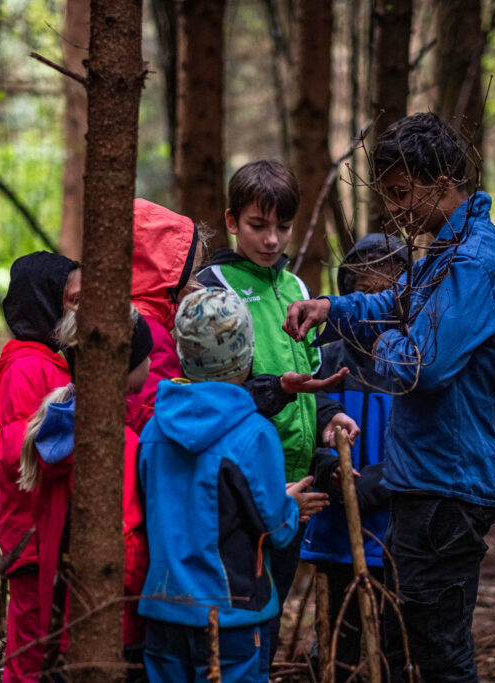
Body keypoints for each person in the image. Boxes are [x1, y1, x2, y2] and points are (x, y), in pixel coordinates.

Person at [284, 113, 495, 682]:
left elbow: (422, 362)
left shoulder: (473, 262)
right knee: (403, 632)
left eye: (400, 192)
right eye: (387, 194)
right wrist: (332, 309)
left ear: (441, 179)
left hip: (451, 481)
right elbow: (396, 305)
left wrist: (394, 335)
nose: (394, 209)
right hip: (425, 478)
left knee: (438, 647)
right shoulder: (444, 253)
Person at [197, 159, 360, 660]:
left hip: (296, 485)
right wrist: (277, 393)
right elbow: (206, 392)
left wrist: (328, 410)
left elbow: (307, 366)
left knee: (272, 606)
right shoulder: (211, 284)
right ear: (231, 221)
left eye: (282, 227)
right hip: (241, 481)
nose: (271, 240)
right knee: (236, 613)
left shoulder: (296, 288)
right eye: (257, 225)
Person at [137, 287, 328, 681]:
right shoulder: (254, 433)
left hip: (163, 607)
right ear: (247, 353)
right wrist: (292, 505)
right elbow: (275, 528)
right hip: (232, 612)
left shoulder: (153, 428)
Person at [17, 308, 155, 675]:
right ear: (121, 365)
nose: (153, 361)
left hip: (60, 625)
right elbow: (121, 545)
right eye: (145, 354)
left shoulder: (58, 425)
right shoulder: (115, 444)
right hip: (111, 625)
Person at [300, 233, 407, 680]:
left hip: (396, 535)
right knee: (334, 645)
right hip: (335, 531)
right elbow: (305, 422)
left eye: (386, 296)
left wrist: (381, 482)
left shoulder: (414, 362)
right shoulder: (324, 358)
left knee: (397, 645)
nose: (373, 308)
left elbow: (428, 437)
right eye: (363, 295)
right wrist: (329, 471)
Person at [0, 251, 80, 682]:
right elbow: (16, 452)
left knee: (53, 644)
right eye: (71, 300)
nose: (78, 310)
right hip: (32, 538)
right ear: (45, 304)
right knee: (30, 650)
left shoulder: (53, 360)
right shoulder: (26, 368)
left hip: (54, 535)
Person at [127, 198, 201, 433]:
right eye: (192, 273)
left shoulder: (124, 319)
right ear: (170, 279)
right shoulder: (150, 333)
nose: (197, 284)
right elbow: (154, 414)